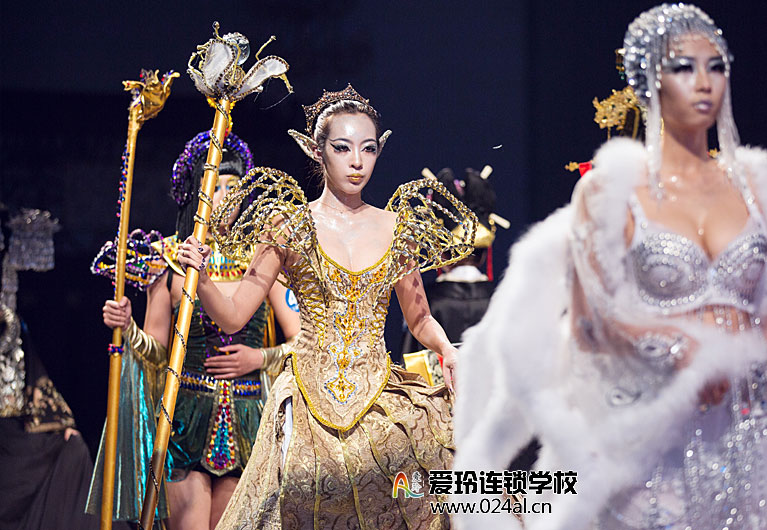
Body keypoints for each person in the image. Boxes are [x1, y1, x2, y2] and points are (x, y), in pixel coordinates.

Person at [453, 4, 767, 529]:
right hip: (655, 443)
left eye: (716, 66)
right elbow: (592, 323)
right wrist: (677, 349)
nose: (704, 82)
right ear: (650, 79)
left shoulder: (755, 190)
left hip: (751, 436)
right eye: (683, 67)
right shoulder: (610, 193)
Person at [175, 84, 475, 529]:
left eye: (368, 149)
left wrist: (446, 348)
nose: (357, 162)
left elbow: (420, 318)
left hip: (378, 398)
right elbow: (235, 315)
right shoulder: (288, 225)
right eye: (342, 148)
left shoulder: (397, 228)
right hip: (306, 401)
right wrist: (200, 281)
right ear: (316, 151)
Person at [88, 132, 301, 530]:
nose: (224, 197)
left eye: (232, 188)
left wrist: (259, 358)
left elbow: (303, 341)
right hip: (185, 422)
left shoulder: (262, 259)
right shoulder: (169, 259)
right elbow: (157, 351)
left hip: (250, 420)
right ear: (195, 194)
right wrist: (128, 326)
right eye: (214, 187)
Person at [0, 206, 98, 530]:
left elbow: (30, 376)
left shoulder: (10, 325)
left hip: (12, 435)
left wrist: (61, 424)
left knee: (73, 451)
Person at [400, 166, 506, 381]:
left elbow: (412, 366)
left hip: (440, 397)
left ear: (441, 252)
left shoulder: (425, 300)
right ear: (484, 254)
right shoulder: (503, 299)